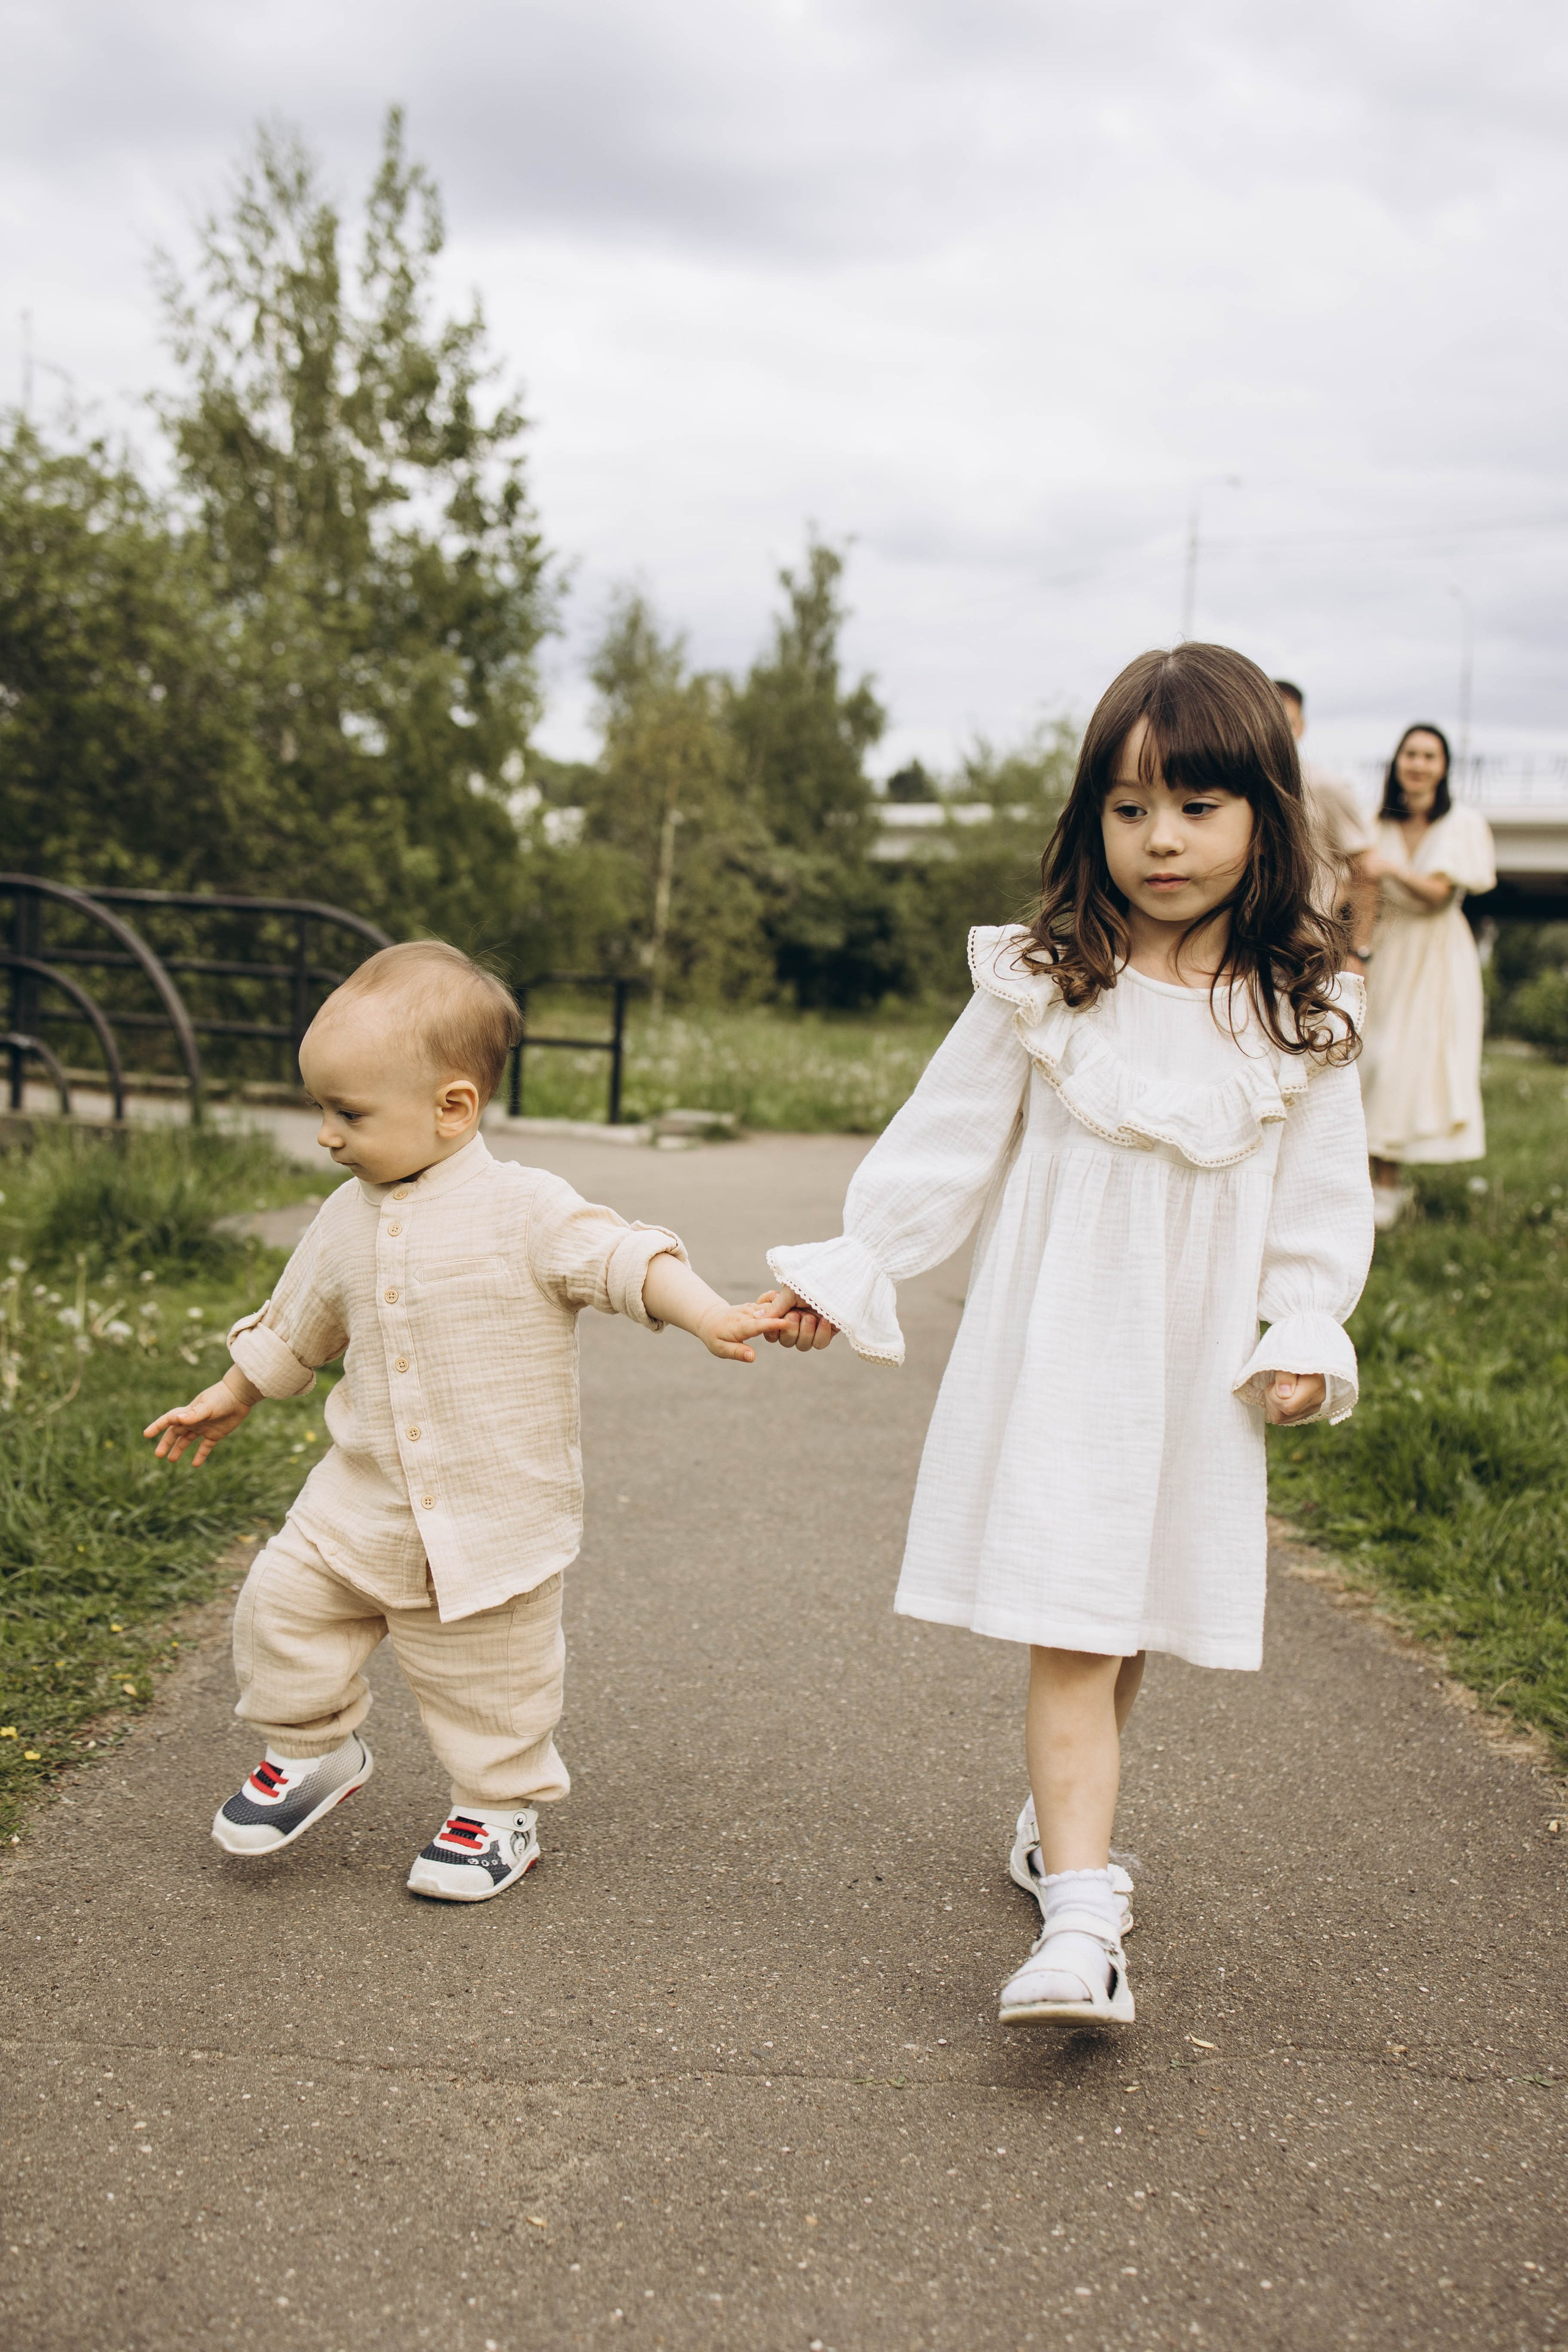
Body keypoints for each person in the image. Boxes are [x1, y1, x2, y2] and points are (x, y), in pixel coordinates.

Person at [763, 644, 1373, 2029]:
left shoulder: (1302, 1011)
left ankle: (1057, 1826)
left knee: (1127, 1607)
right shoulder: (1048, 979)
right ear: (1090, 817)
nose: (1160, 838)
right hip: (1062, 1358)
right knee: (1075, 1625)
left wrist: (1302, 1323)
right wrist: (859, 1261)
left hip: (1194, 1371)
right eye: (1128, 804)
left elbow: (1320, 1202)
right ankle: (1081, 1917)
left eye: (1197, 805)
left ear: (1262, 818)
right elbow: (944, 1144)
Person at [144, 941, 785, 1903]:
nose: (326, 1135)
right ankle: (313, 1750)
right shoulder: (344, 1216)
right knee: (280, 1610)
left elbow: (622, 1259)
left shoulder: (526, 1209)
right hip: (358, 1505)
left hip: (492, 1517)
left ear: (453, 1106)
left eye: (348, 1113)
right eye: (321, 1109)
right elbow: (299, 1320)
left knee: (493, 1690)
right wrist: (234, 1391)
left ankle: (497, 1811)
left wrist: (707, 1313)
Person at [1358, 724, 1496, 1229]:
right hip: (1387, 948)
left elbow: (1437, 893)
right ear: (1397, 762)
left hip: (1437, 953)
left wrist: (1387, 867)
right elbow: (1358, 884)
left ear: (1443, 767)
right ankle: (1362, 1180)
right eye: (1410, 754)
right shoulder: (1374, 821)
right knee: (1369, 1060)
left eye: (1429, 756)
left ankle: (1388, 1183)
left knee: (1405, 1062)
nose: (1418, 764)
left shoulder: (1462, 823)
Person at [1273, 679, 1380, 968]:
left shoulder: (1326, 787)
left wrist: (1359, 952)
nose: (1279, 733)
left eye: (1288, 723)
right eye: (1271, 722)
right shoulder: (1235, 789)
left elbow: (1364, 871)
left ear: (1301, 727)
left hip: (1311, 950)